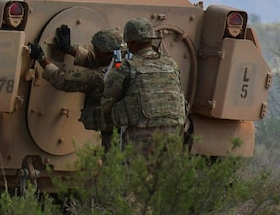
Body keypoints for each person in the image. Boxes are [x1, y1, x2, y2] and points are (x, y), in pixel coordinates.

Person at [28, 25, 122, 150]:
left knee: (113, 158)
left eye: (96, 49)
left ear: (105, 53)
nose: (94, 51)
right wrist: (70, 49)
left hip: (115, 132)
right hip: (125, 125)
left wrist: (41, 58)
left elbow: (62, 80)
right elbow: (98, 60)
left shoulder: (97, 78)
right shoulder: (121, 63)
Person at [100, 17, 187, 153]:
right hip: (173, 132)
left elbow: (106, 103)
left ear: (131, 42)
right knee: (166, 172)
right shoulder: (171, 64)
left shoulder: (128, 67)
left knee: (135, 173)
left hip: (140, 134)